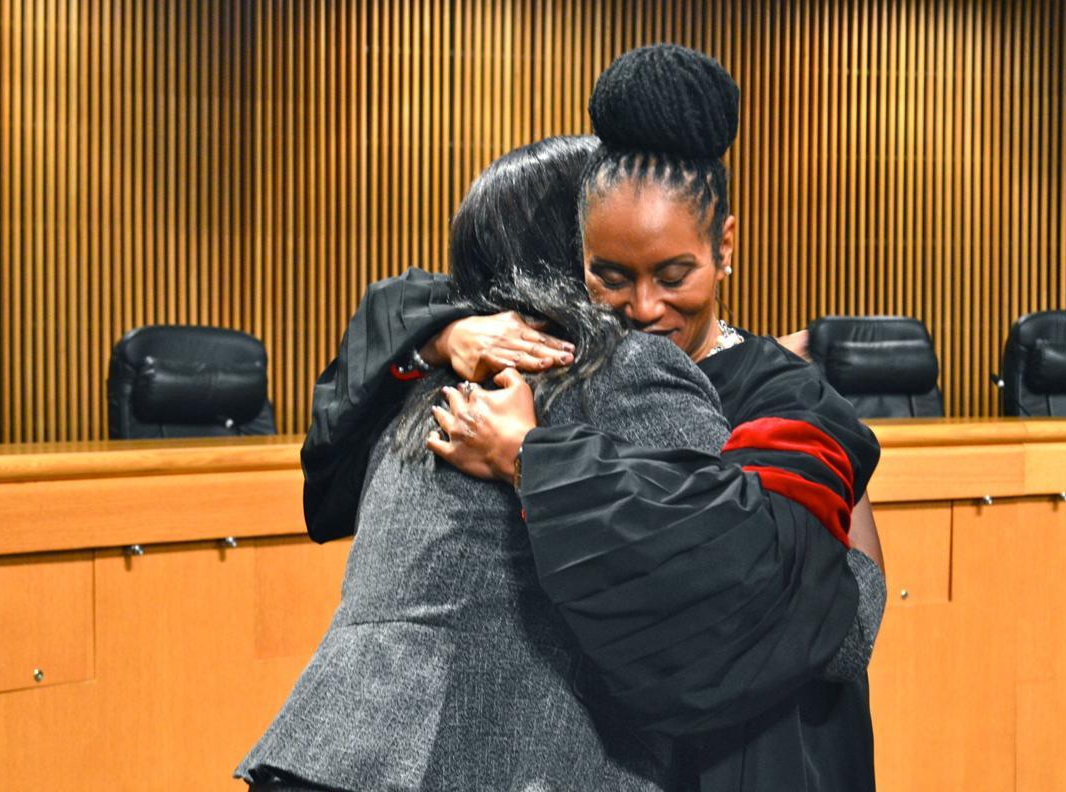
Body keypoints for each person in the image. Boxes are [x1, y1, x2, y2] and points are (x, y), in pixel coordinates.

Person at [302, 46, 885, 791]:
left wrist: (528, 456)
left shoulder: (776, 392)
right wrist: (442, 333)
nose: (643, 307)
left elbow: (831, 609)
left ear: (723, 248)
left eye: (672, 273)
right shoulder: (530, 369)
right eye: (609, 274)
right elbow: (394, 317)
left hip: (757, 739)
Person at [238, 135, 804, 791]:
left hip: (328, 750)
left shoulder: (420, 385)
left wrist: (439, 336)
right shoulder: (617, 367)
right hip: (511, 760)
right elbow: (739, 560)